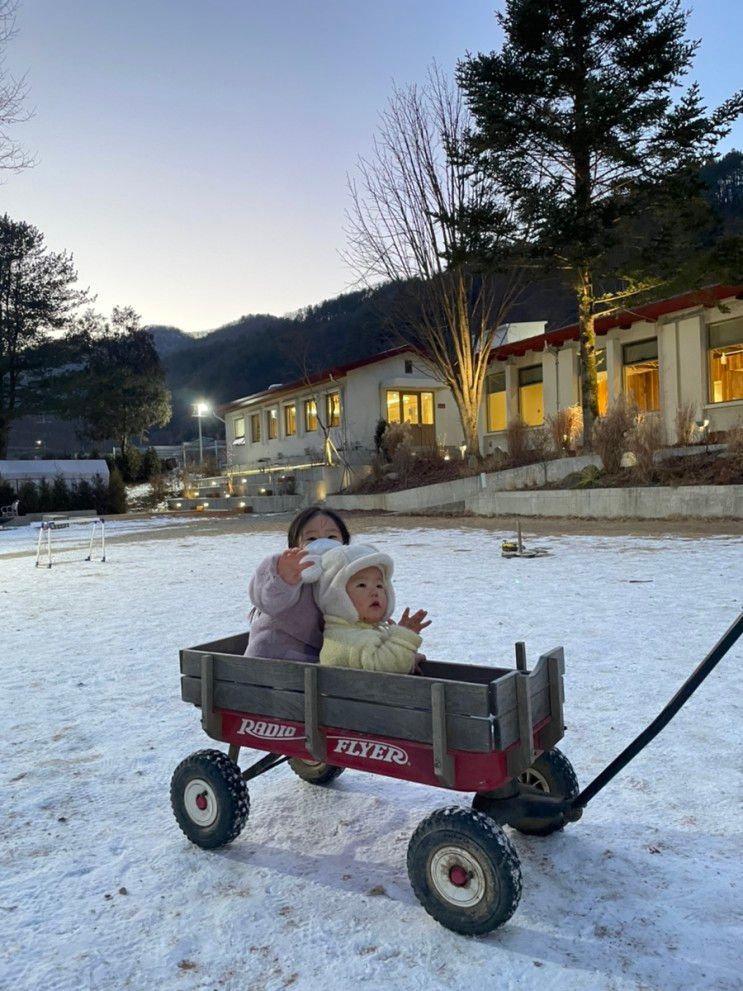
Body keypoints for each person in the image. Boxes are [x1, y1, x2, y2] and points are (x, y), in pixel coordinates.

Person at [245, 506, 350, 661]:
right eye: (311, 539)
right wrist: (285, 579)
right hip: (273, 659)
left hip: (320, 665)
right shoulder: (284, 567)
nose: (323, 543)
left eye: (332, 537)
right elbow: (268, 601)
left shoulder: (350, 574)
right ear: (295, 545)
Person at [314, 542, 430, 674]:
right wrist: (403, 638)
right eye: (362, 585)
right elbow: (384, 667)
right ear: (337, 597)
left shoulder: (359, 631)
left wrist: (405, 652)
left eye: (380, 586)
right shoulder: (345, 640)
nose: (375, 592)